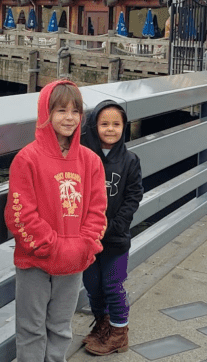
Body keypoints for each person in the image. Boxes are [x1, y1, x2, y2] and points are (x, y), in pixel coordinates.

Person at [4, 80, 108, 362]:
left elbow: (98, 209)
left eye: (76, 111)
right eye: (61, 110)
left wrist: (82, 244)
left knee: (61, 327)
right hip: (35, 259)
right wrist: (51, 245)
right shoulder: (27, 159)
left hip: (74, 260)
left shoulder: (90, 161)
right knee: (31, 328)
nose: (69, 118)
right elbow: (20, 212)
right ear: (45, 113)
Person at [79, 101, 144, 356]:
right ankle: (102, 325)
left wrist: (117, 225)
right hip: (88, 237)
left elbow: (133, 196)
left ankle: (119, 333)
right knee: (93, 286)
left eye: (116, 124)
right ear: (94, 127)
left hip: (116, 239)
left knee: (112, 285)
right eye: (104, 124)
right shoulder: (84, 157)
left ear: (124, 127)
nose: (110, 129)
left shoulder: (130, 160)